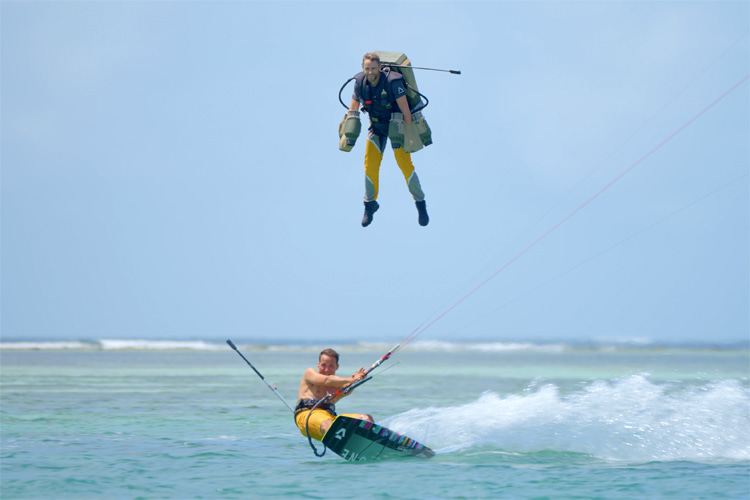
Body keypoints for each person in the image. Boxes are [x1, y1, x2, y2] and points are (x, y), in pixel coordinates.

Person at [350, 52, 429, 227]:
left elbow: (406, 112)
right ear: (363, 68)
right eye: (367, 69)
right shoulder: (360, 83)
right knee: (370, 166)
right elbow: (352, 110)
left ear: (379, 68)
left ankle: (420, 203)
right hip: (377, 128)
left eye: (373, 68)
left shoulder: (393, 82)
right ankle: (369, 205)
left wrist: (408, 137)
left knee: (405, 165)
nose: (370, 72)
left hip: (397, 127)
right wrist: (349, 132)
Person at [294, 348, 374, 441]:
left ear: (337, 367)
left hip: (329, 417)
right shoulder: (310, 373)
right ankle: (344, 442)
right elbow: (326, 380)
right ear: (318, 365)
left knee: (366, 419)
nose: (327, 369)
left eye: (331, 366)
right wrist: (351, 379)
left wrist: (359, 377)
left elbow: (348, 386)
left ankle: (370, 443)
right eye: (323, 365)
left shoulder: (339, 385)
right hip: (307, 416)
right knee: (328, 425)